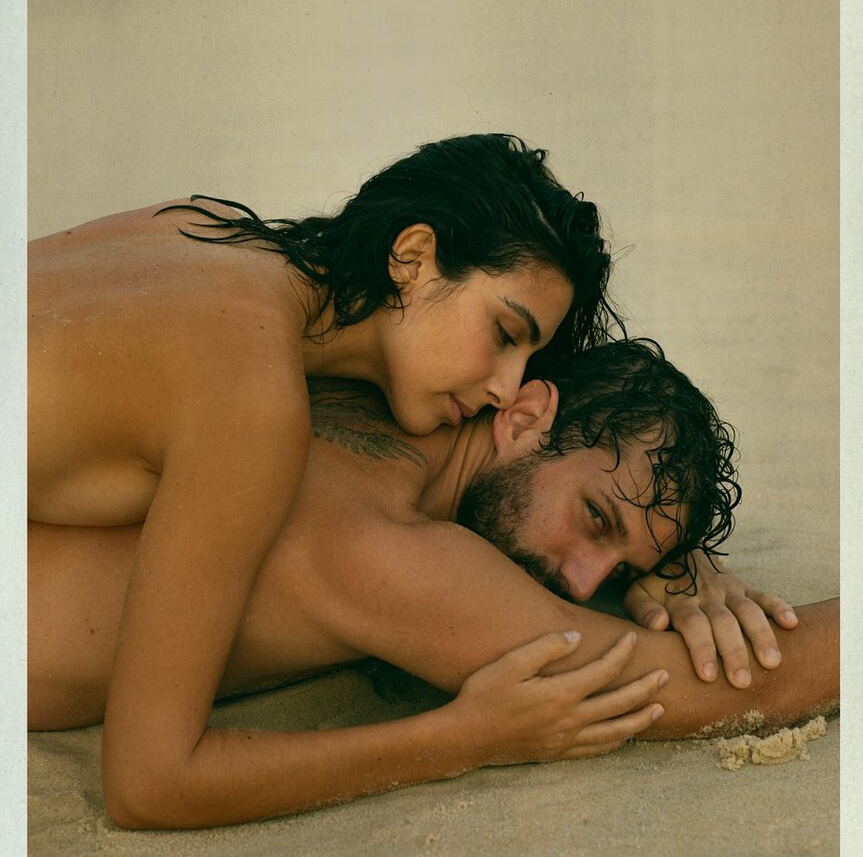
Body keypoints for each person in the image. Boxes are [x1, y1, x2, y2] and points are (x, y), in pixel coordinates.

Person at [29, 134, 620, 828]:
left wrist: (675, 564)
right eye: (503, 333)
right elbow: (149, 785)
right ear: (412, 256)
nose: (506, 388)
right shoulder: (247, 394)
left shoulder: (202, 226)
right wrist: (464, 739)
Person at [29, 340, 838, 829]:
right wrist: (460, 741)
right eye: (594, 520)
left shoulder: (349, 391)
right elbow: (733, 687)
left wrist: (681, 566)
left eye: (618, 569)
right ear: (523, 417)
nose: (581, 581)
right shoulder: (392, 552)